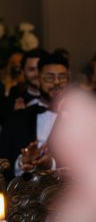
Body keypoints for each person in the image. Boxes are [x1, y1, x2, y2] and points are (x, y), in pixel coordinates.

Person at [0, 52, 69, 180]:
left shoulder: (82, 119)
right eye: (49, 77)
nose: (57, 82)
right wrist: (22, 162)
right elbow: (4, 160)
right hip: (24, 195)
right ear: (38, 80)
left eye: (62, 77)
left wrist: (51, 164)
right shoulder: (16, 118)